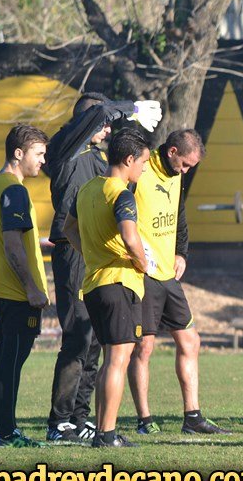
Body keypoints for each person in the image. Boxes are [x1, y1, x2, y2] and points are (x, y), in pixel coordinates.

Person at [45, 93, 161, 442]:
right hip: (72, 250)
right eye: (103, 121)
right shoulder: (64, 149)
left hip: (94, 252)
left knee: (98, 339)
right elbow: (98, 114)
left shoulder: (97, 159)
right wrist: (129, 108)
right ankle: (60, 420)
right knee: (78, 335)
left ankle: (82, 418)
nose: (108, 126)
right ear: (88, 120)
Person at [127, 129, 230, 435]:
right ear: (171, 151)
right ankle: (145, 421)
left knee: (190, 341)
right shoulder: (141, 170)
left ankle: (193, 417)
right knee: (143, 348)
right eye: (184, 164)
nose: (186, 171)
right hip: (142, 275)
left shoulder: (177, 176)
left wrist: (181, 253)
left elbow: (178, 215)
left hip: (168, 277)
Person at [64, 128, 151, 447]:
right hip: (119, 283)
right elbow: (130, 236)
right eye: (142, 162)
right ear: (129, 159)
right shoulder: (122, 193)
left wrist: (90, 251)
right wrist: (142, 262)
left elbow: (68, 228)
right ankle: (107, 434)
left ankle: (103, 430)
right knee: (118, 360)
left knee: (108, 359)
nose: (143, 168)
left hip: (95, 285)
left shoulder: (88, 189)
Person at [0, 125, 50, 447]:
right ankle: (6, 433)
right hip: (17, 291)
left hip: (3, 288)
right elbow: (11, 244)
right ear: (19, 154)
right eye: (39, 153)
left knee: (0, 363)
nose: (43, 161)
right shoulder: (14, 190)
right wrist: (32, 288)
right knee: (10, 363)